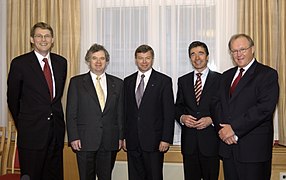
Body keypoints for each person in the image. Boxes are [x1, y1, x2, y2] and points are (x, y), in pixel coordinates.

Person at [213, 34, 279, 180]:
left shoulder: (267, 74)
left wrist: (234, 129)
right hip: (228, 148)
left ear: (252, 49)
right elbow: (217, 105)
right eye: (234, 51)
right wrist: (223, 130)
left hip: (253, 151)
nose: (238, 54)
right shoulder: (225, 76)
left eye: (242, 49)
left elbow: (264, 109)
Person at [7, 22, 67, 180]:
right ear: (31, 39)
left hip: (56, 133)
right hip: (31, 134)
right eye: (39, 36)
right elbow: (13, 99)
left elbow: (55, 99)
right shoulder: (19, 63)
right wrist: (24, 124)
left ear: (52, 39)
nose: (43, 39)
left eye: (47, 36)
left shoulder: (61, 63)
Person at [66, 43, 124, 180]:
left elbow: (120, 113)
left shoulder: (118, 83)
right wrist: (73, 136)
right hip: (84, 141)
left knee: (106, 177)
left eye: (102, 58)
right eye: (94, 58)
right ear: (88, 61)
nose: (98, 62)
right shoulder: (76, 83)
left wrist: (121, 136)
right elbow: (71, 113)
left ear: (107, 61)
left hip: (109, 140)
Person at [123, 44, 175, 180]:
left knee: (154, 176)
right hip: (133, 141)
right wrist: (123, 137)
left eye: (147, 58)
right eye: (140, 58)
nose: (144, 61)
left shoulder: (164, 81)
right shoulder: (127, 81)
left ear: (152, 59)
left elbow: (169, 113)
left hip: (155, 142)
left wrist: (166, 139)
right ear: (136, 60)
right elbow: (124, 113)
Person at [175, 41, 220, 180]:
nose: (197, 58)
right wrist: (182, 117)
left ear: (207, 56)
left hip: (211, 143)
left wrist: (212, 119)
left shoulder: (220, 79)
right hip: (190, 145)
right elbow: (178, 106)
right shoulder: (183, 80)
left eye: (200, 53)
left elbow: (225, 108)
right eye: (192, 54)